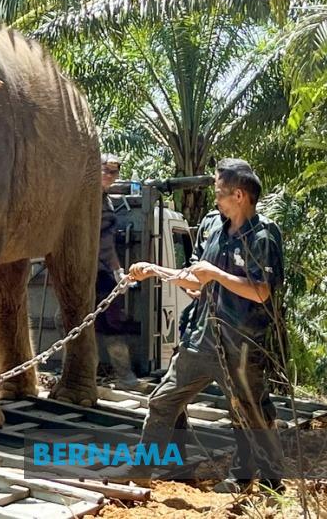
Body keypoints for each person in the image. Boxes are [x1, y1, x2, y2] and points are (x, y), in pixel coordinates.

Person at [124, 158, 285, 491]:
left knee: (249, 415)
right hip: (201, 339)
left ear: (239, 195)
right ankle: (140, 470)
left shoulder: (264, 235)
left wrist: (215, 275)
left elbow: (262, 292)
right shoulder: (212, 227)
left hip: (242, 345)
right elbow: (195, 281)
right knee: (163, 400)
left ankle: (264, 482)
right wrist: (154, 270)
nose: (216, 198)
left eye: (219, 191)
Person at [95, 154, 139, 390]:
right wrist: (116, 270)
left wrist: (117, 272)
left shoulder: (106, 200)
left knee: (110, 321)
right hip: (87, 270)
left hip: (102, 273)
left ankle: (123, 376)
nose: (109, 176)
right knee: (76, 322)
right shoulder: (87, 197)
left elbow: (107, 242)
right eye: (105, 170)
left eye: (114, 172)